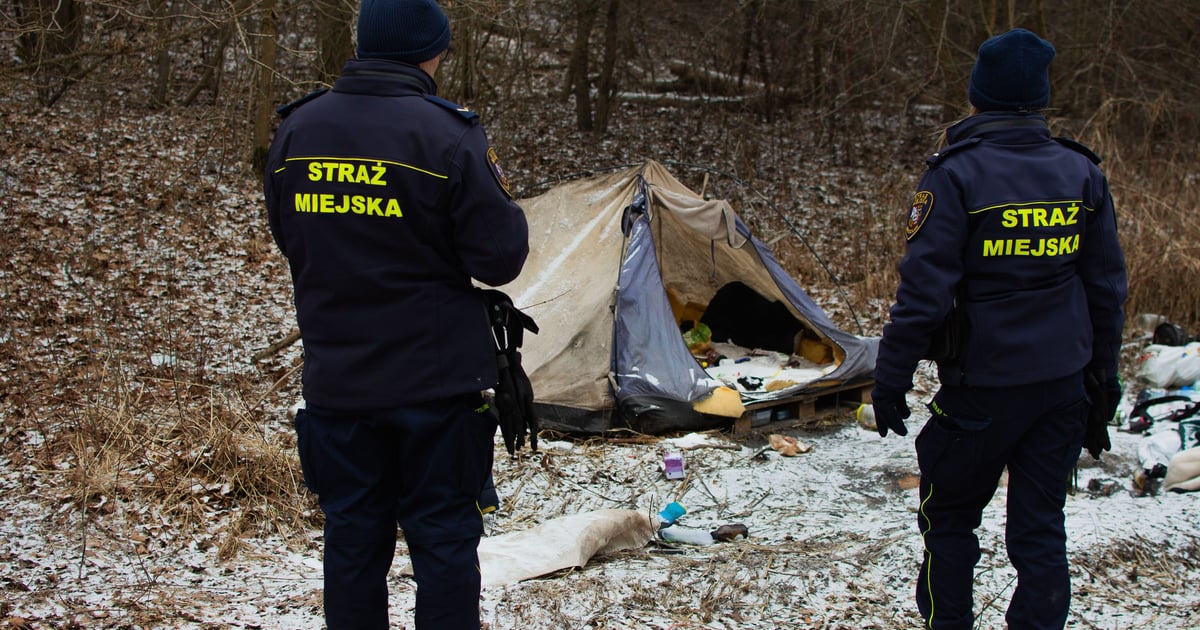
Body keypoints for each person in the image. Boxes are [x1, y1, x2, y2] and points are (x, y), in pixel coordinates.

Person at [262, 0, 530, 627]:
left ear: (364, 44)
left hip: (338, 382)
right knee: (443, 541)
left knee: (352, 541)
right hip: (434, 387)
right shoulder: (448, 134)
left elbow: (289, 236)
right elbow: (501, 259)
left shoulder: (297, 131)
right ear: (429, 52)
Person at [871, 28, 1127, 630]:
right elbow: (1107, 290)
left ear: (978, 94)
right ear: (1040, 97)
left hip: (982, 391)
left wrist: (891, 378)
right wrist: (1102, 379)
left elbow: (923, 294)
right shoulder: (1081, 173)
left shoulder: (955, 175)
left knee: (949, 521)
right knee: (1041, 530)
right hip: (1061, 385)